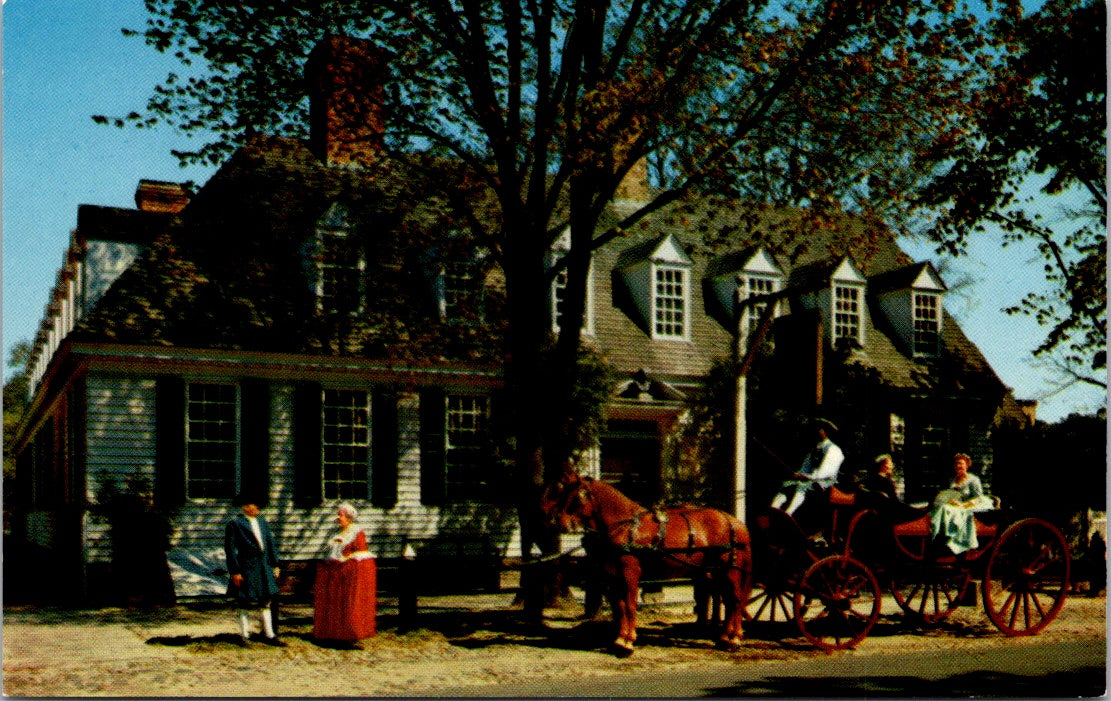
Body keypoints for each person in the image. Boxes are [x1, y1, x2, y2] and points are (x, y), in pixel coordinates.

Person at [225, 494, 285, 647]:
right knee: (244, 600)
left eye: (258, 505)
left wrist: (275, 564)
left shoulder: (263, 522)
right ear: (245, 506)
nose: (256, 508)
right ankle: (244, 635)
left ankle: (270, 634)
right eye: (252, 505)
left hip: (264, 566)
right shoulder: (235, 524)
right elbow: (230, 550)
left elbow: (270, 543)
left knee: (266, 600)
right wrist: (235, 571)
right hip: (246, 567)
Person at [313, 503, 377, 647]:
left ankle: (349, 634)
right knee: (335, 603)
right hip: (335, 571)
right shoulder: (337, 534)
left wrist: (347, 559)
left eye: (341, 515)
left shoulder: (356, 532)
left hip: (348, 571)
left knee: (347, 603)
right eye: (339, 515)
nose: (338, 518)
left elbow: (361, 552)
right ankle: (334, 634)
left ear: (348, 518)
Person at [771, 418, 844, 516]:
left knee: (802, 487)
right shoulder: (814, 450)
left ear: (824, 431)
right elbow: (806, 467)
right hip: (811, 480)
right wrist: (799, 474)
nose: (816, 431)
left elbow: (825, 473)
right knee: (787, 485)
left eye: (819, 429)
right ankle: (773, 510)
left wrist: (807, 477)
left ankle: (788, 514)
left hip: (825, 483)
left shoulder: (833, 450)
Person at [928, 453, 994, 555]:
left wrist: (963, 505)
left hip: (970, 506)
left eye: (961, 464)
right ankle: (941, 538)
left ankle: (958, 542)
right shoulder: (953, 480)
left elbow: (978, 498)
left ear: (967, 465)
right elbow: (950, 495)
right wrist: (951, 502)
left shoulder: (973, 480)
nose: (959, 466)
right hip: (955, 507)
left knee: (955, 513)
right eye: (956, 464)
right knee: (943, 509)